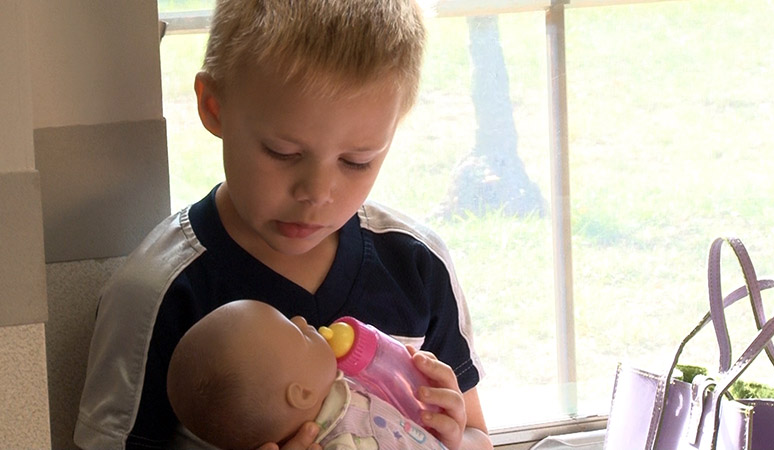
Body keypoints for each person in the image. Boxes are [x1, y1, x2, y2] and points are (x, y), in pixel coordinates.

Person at [75, 0, 491, 449]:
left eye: (357, 161)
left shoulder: (415, 265)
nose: (317, 191)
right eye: (283, 153)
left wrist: (454, 436)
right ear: (214, 108)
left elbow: (476, 435)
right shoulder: (159, 292)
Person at [167, 299, 447, 450]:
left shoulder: (334, 387)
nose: (302, 319)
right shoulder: (342, 442)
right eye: (298, 331)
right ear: (301, 393)